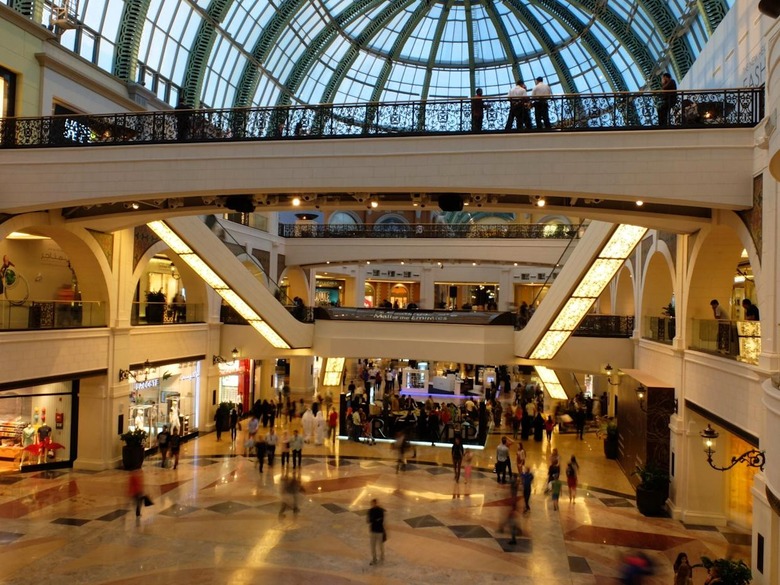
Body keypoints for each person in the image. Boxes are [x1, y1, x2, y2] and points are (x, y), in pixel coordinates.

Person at [367, 499, 386, 566]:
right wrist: (375, 519)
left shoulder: (380, 510)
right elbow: (368, 520)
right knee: (372, 546)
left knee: (380, 545)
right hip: (373, 531)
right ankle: (374, 559)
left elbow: (381, 520)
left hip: (379, 531)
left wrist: (373, 520)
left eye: (373, 503)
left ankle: (382, 556)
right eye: (371, 503)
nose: (372, 505)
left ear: (376, 503)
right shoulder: (370, 511)